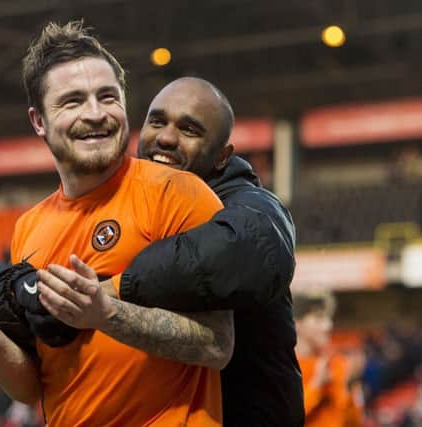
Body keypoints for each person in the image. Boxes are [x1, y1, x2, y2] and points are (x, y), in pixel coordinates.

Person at [0, 21, 234, 426]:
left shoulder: (178, 194)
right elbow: (35, 387)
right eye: (72, 102)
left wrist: (107, 314)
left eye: (107, 97)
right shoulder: (28, 229)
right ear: (39, 121)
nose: (95, 114)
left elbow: (218, 345)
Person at [38, 77, 305, 426]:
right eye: (157, 121)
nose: (165, 137)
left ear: (223, 157)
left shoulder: (248, 203)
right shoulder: (123, 208)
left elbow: (254, 248)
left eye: (189, 129)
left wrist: (111, 290)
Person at [294, 292, 364, 427]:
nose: (328, 325)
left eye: (328, 318)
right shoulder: (284, 369)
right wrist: (317, 385)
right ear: (297, 323)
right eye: (319, 318)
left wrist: (352, 387)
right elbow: (286, 418)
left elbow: (353, 423)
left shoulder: (336, 363)